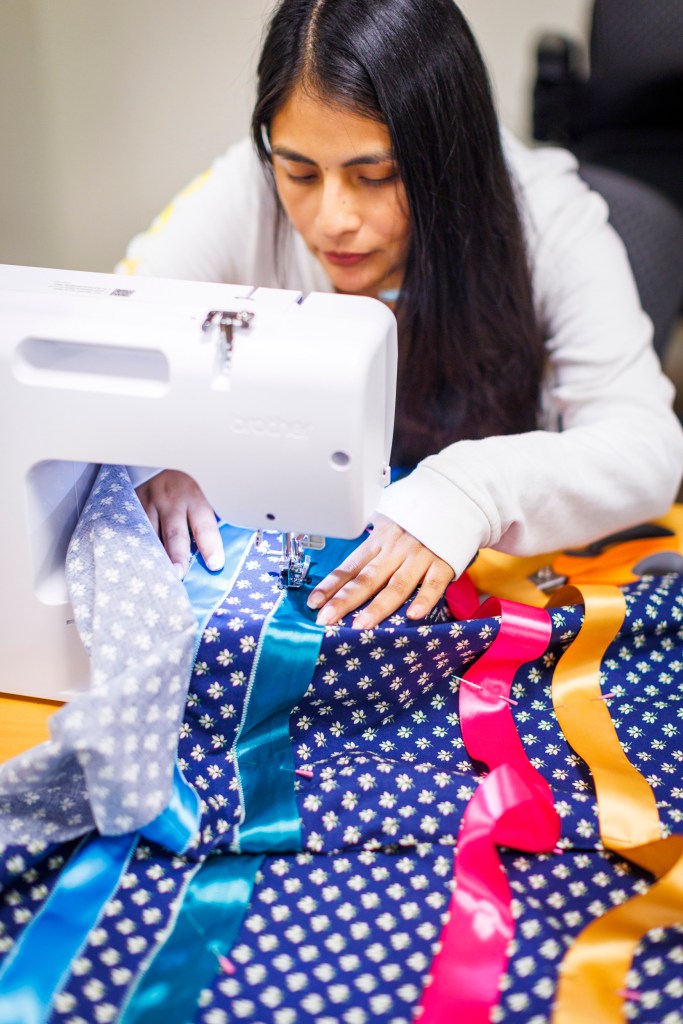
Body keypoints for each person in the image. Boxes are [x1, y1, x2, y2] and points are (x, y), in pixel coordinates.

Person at [119, 0, 683, 631]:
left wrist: (476, 487)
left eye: (376, 175)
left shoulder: (549, 218)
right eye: (300, 172)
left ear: (452, 156)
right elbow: (117, 343)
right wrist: (158, 449)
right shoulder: (244, 192)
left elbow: (648, 451)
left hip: (504, 594)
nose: (333, 219)